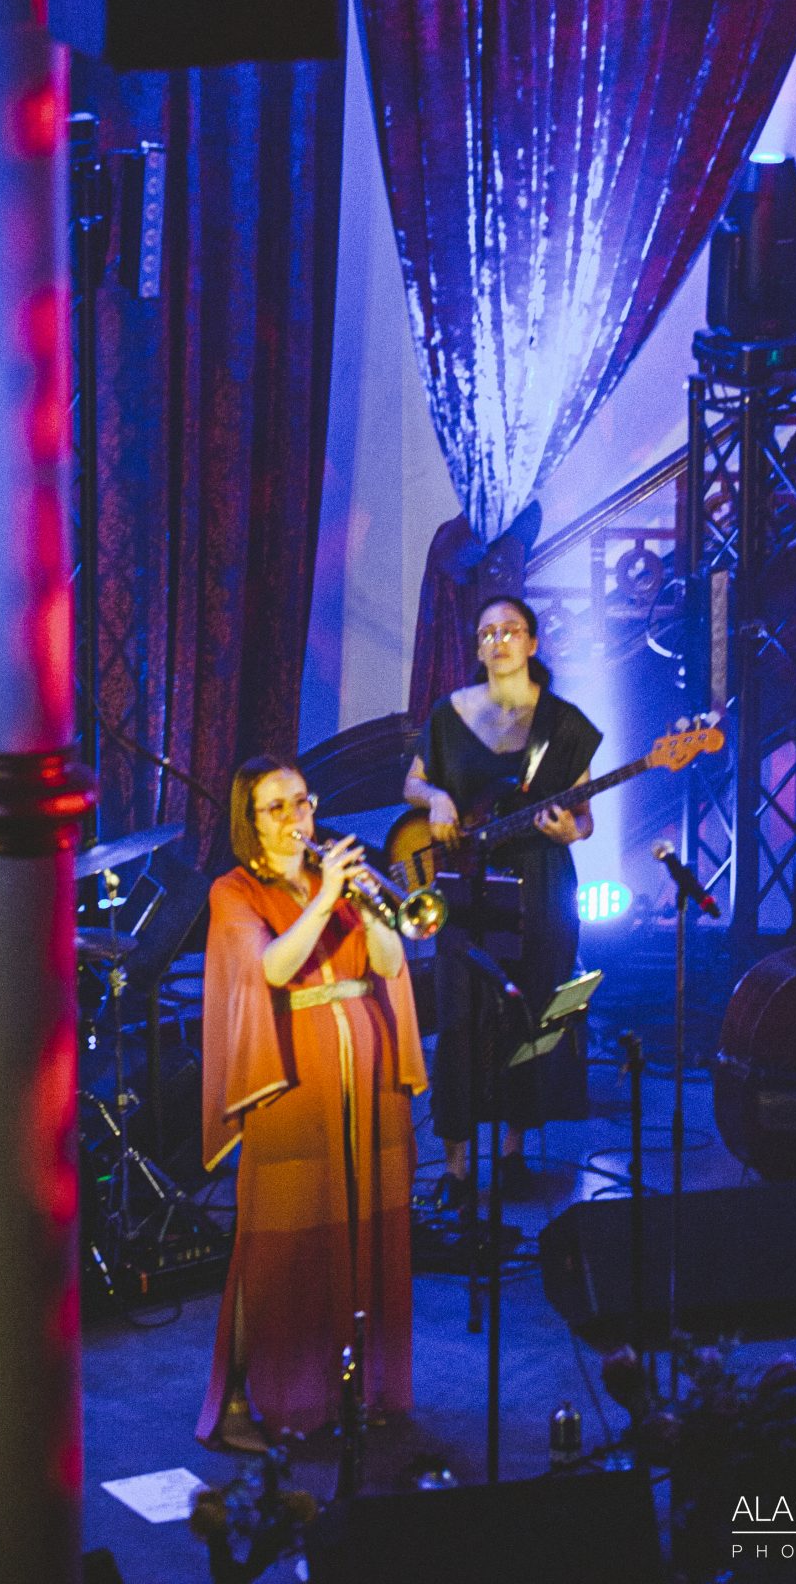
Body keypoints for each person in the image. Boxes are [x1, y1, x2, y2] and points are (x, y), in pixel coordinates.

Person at [197, 757, 426, 1452]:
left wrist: (371, 904)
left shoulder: (340, 876)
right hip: (292, 1082)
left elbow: (389, 963)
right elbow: (269, 967)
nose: (297, 817)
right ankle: (241, 1400)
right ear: (251, 821)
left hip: (368, 1079)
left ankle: (352, 1391)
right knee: (280, 1243)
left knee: (362, 1231)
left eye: (301, 801)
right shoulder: (234, 891)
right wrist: (325, 900)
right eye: (277, 807)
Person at [403, 594, 599, 1199]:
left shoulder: (563, 723)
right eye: (487, 633)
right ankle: (456, 1166)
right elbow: (412, 782)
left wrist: (572, 832)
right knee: (458, 1017)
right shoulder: (449, 714)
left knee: (530, 1012)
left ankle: (513, 1152)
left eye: (511, 630)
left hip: (541, 882)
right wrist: (437, 798)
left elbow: (585, 816)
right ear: (478, 647)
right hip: (466, 882)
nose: (499, 640)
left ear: (532, 643)